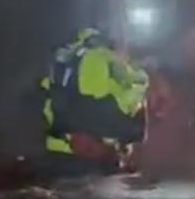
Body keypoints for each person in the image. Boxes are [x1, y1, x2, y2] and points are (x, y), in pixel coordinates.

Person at [40, 27, 149, 177]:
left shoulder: (61, 59)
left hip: (59, 147)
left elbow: (48, 96)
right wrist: (144, 76)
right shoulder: (106, 57)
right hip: (96, 150)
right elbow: (134, 87)